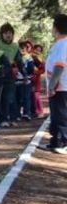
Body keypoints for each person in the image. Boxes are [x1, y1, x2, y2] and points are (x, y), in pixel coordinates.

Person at [45, 14, 67, 154]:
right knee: (56, 115)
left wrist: (52, 85)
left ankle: (63, 142)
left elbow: (59, 66)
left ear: (56, 28)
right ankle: (55, 140)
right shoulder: (59, 44)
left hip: (61, 87)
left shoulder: (63, 44)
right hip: (58, 87)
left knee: (61, 115)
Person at [0, 23, 23, 127]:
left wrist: (23, 73)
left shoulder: (15, 46)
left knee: (11, 97)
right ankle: (2, 119)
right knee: (1, 97)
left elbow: (19, 60)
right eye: (6, 33)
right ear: (2, 34)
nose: (8, 35)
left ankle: (12, 118)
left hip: (11, 75)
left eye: (10, 33)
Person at [17, 40, 36, 121]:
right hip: (17, 80)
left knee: (26, 98)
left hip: (26, 80)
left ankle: (26, 113)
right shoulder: (16, 57)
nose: (22, 50)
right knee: (18, 98)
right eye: (20, 48)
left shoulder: (29, 57)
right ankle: (18, 114)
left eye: (24, 48)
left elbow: (31, 69)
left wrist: (27, 75)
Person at [32, 44, 46, 118]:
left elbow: (43, 70)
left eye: (39, 50)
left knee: (37, 96)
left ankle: (41, 111)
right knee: (31, 96)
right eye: (36, 49)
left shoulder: (41, 60)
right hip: (29, 79)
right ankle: (34, 112)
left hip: (37, 79)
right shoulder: (30, 57)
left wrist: (35, 72)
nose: (37, 51)